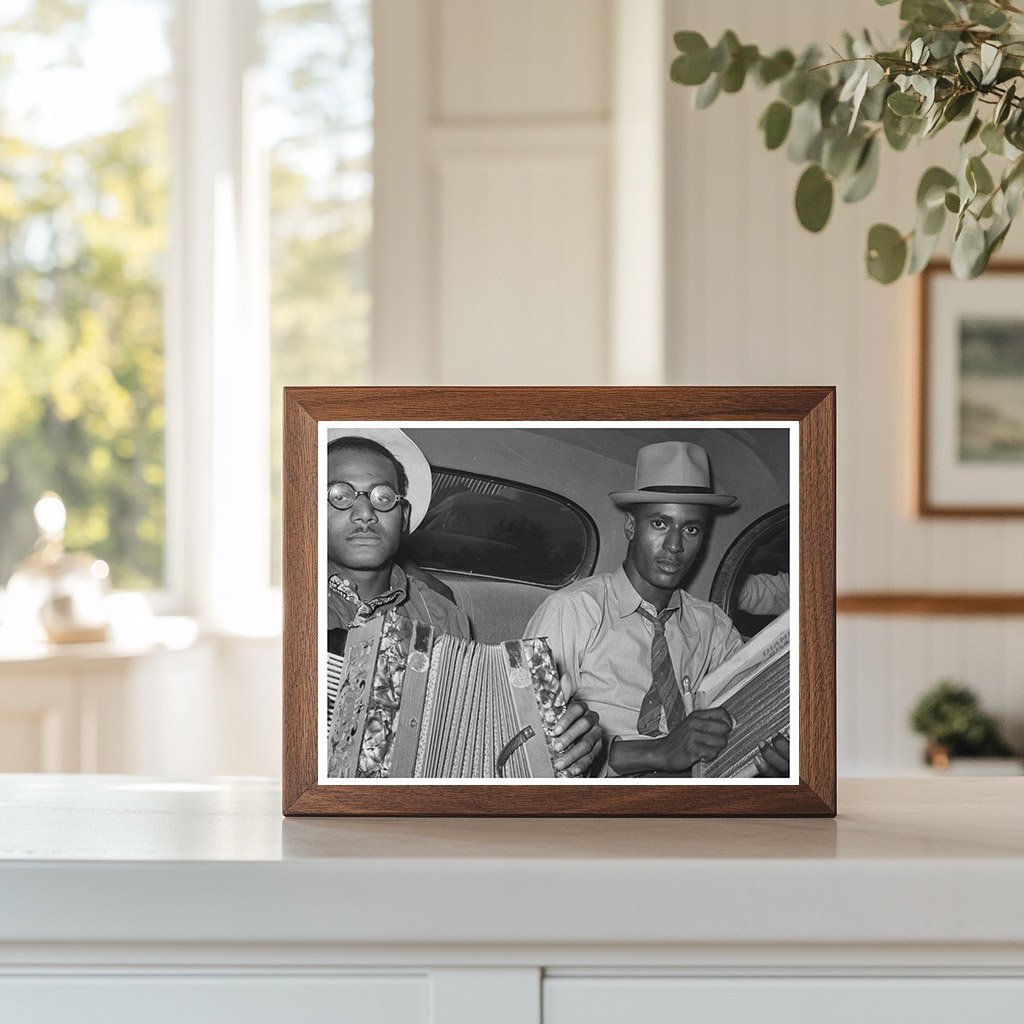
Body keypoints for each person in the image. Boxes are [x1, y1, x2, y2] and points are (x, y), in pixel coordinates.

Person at [325, 429, 601, 776]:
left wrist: (560, 743)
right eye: (339, 495)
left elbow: (470, 741)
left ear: (404, 518)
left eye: (383, 498)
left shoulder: (442, 615)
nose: (364, 512)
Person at [525, 440, 789, 778]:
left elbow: (747, 717)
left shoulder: (713, 628)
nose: (676, 545)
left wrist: (775, 757)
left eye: (690, 529)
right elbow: (528, 743)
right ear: (632, 527)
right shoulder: (574, 611)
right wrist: (658, 751)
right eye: (660, 524)